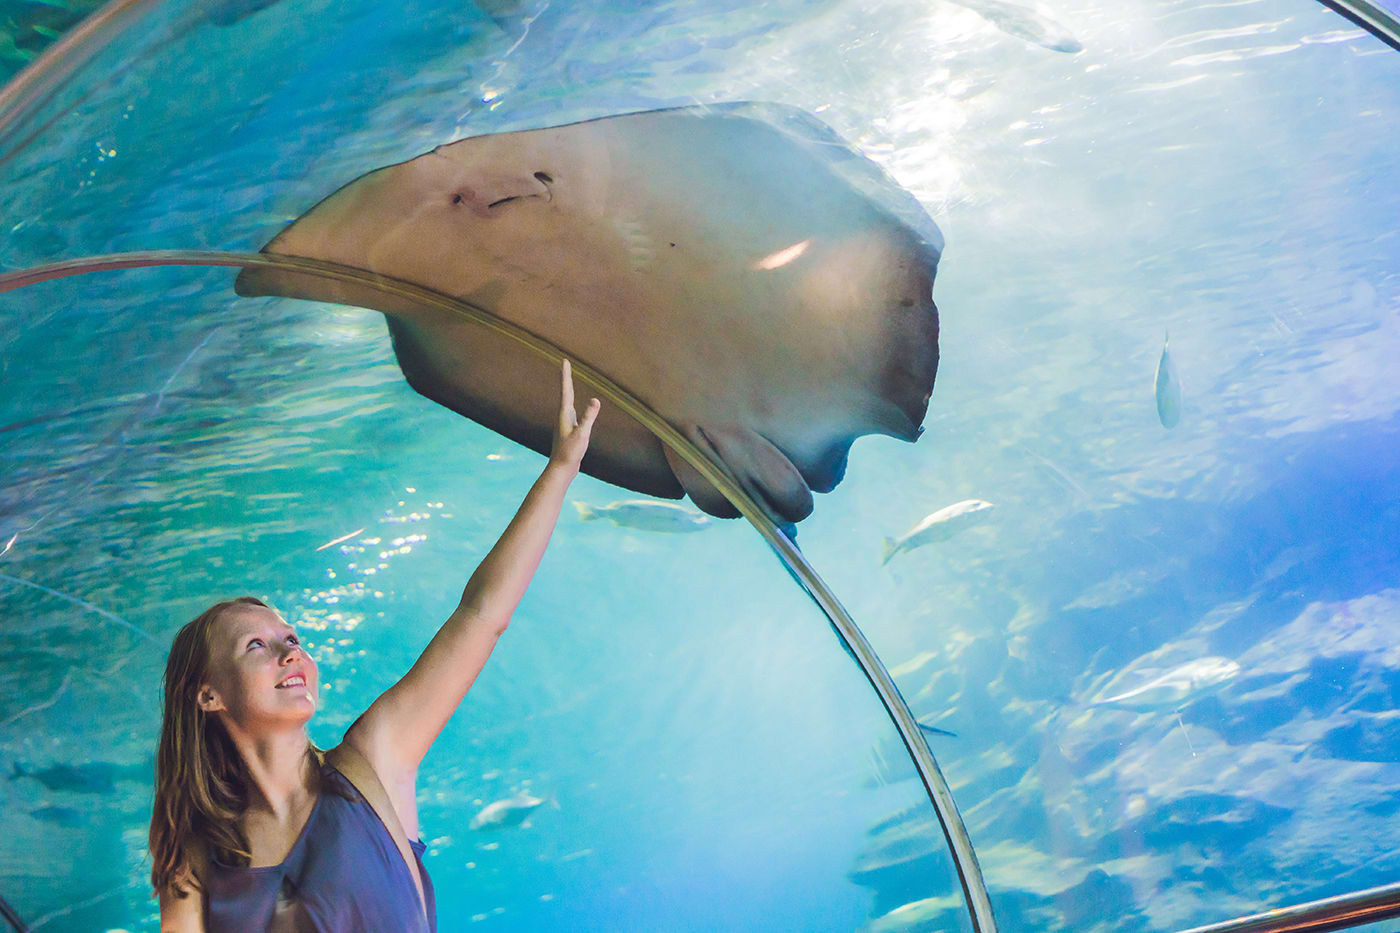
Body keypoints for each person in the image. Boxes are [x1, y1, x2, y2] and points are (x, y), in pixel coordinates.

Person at [149, 360, 601, 932]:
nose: (291, 654)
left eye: (292, 640)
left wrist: (561, 470)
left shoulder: (375, 760)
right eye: (256, 647)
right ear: (207, 695)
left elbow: (483, 615)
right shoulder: (195, 855)